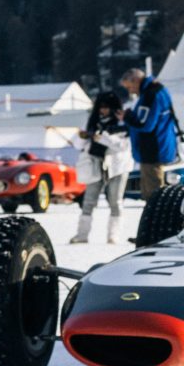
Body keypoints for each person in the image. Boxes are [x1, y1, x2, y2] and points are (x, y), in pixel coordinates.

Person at [74, 89, 134, 244]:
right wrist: (83, 137)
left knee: (115, 201)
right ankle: (82, 235)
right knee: (88, 201)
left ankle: (113, 235)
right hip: (95, 164)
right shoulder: (91, 121)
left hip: (117, 166)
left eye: (107, 107)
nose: (103, 110)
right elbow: (78, 144)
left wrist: (102, 138)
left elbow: (122, 146)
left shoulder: (122, 123)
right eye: (101, 107)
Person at [122, 66, 177, 196]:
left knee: (153, 192)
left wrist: (127, 117)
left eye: (129, 87)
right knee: (152, 190)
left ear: (136, 80)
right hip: (159, 145)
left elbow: (145, 124)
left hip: (152, 149)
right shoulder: (158, 89)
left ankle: (158, 216)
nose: (131, 91)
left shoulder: (150, 94)